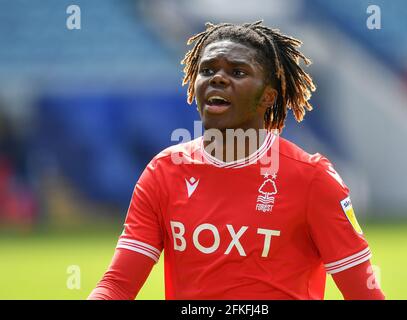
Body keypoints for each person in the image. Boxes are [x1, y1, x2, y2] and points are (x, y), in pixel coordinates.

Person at [88, 21, 385, 300]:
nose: (218, 78)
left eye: (238, 72)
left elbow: (364, 292)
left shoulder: (311, 178)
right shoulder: (163, 172)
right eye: (207, 71)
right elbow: (117, 285)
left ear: (268, 96)